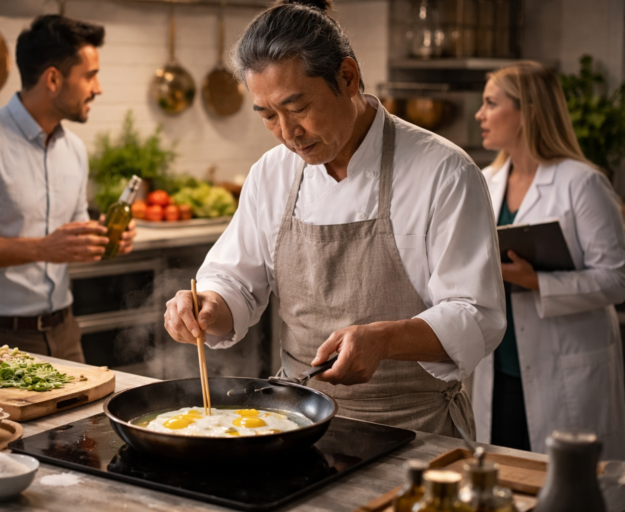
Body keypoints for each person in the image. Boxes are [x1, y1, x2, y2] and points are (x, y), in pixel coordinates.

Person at [162, 0, 506, 438]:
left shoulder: (444, 172)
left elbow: (477, 314)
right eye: (268, 115)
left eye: (298, 107)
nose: (288, 132)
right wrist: (208, 306)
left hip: (414, 428)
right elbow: (236, 282)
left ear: (347, 77)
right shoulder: (272, 172)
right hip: (294, 424)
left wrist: (384, 340)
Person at [0, 15, 136, 363]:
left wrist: (107, 238)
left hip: (64, 330)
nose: (97, 88)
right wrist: (43, 248)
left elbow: (69, 242)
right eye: (90, 75)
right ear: (53, 78)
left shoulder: (74, 150)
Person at [472, 61, 625, 459]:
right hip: (500, 369)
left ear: (528, 112)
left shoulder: (583, 183)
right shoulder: (484, 183)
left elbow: (617, 279)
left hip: (565, 368)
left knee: (567, 487)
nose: (479, 114)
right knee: (504, 479)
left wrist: (536, 281)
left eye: (491, 103)